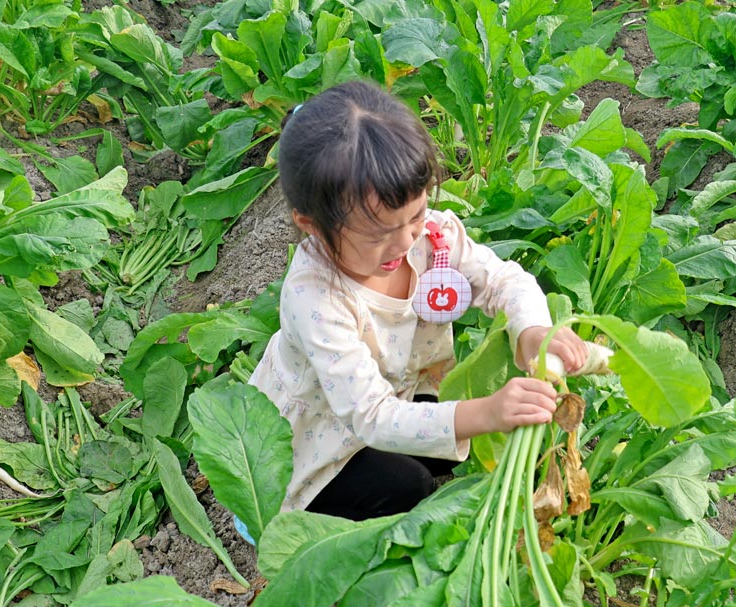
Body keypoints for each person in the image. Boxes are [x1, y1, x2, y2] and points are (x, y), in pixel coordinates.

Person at [249, 80, 587, 522]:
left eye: (415, 216)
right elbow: (369, 416)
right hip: (322, 432)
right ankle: (293, 511)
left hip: (397, 392)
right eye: (377, 235)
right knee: (408, 486)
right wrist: (485, 412)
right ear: (311, 225)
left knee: (448, 451)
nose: (404, 242)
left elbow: (505, 280)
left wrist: (532, 329)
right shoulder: (315, 296)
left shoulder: (431, 238)